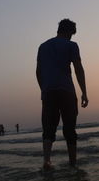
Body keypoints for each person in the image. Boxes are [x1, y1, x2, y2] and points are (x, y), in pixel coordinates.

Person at [36, 18, 88, 170]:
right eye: (72, 34)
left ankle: (47, 161)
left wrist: (43, 89)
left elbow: (38, 72)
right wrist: (84, 92)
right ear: (70, 32)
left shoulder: (43, 46)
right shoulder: (71, 45)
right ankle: (73, 163)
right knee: (69, 127)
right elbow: (78, 69)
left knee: (48, 127)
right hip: (66, 91)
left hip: (48, 92)